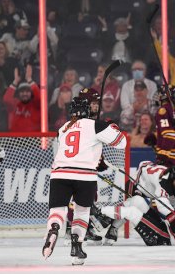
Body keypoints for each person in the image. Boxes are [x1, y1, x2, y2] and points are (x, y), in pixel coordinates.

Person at [42, 96, 126, 265]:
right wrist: (112, 126)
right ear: (88, 110)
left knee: (57, 210)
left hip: (59, 173)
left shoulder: (63, 128)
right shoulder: (96, 125)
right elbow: (121, 142)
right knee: (81, 211)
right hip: (84, 175)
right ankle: (77, 246)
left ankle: (54, 228)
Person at [99, 161, 175, 247]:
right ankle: (109, 226)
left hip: (163, 238)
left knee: (133, 213)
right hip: (162, 226)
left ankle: (100, 211)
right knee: (136, 200)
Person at [152, 86, 175, 167]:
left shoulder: (163, 111)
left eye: (160, 94)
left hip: (170, 160)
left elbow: (169, 136)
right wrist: (156, 139)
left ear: (164, 96)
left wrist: (162, 157)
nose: (158, 96)